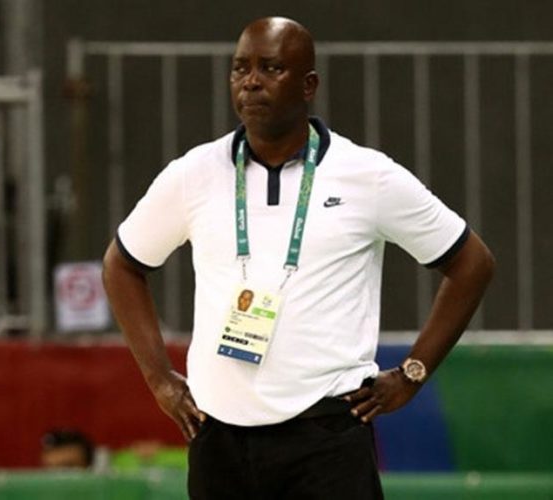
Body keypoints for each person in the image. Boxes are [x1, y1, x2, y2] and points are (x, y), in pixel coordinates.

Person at [102, 16, 495, 499]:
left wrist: (412, 373)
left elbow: (472, 263)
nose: (251, 81)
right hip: (219, 438)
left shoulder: (367, 175)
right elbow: (122, 265)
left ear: (308, 85)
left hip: (325, 437)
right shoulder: (193, 174)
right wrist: (159, 379)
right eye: (240, 68)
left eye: (271, 68)